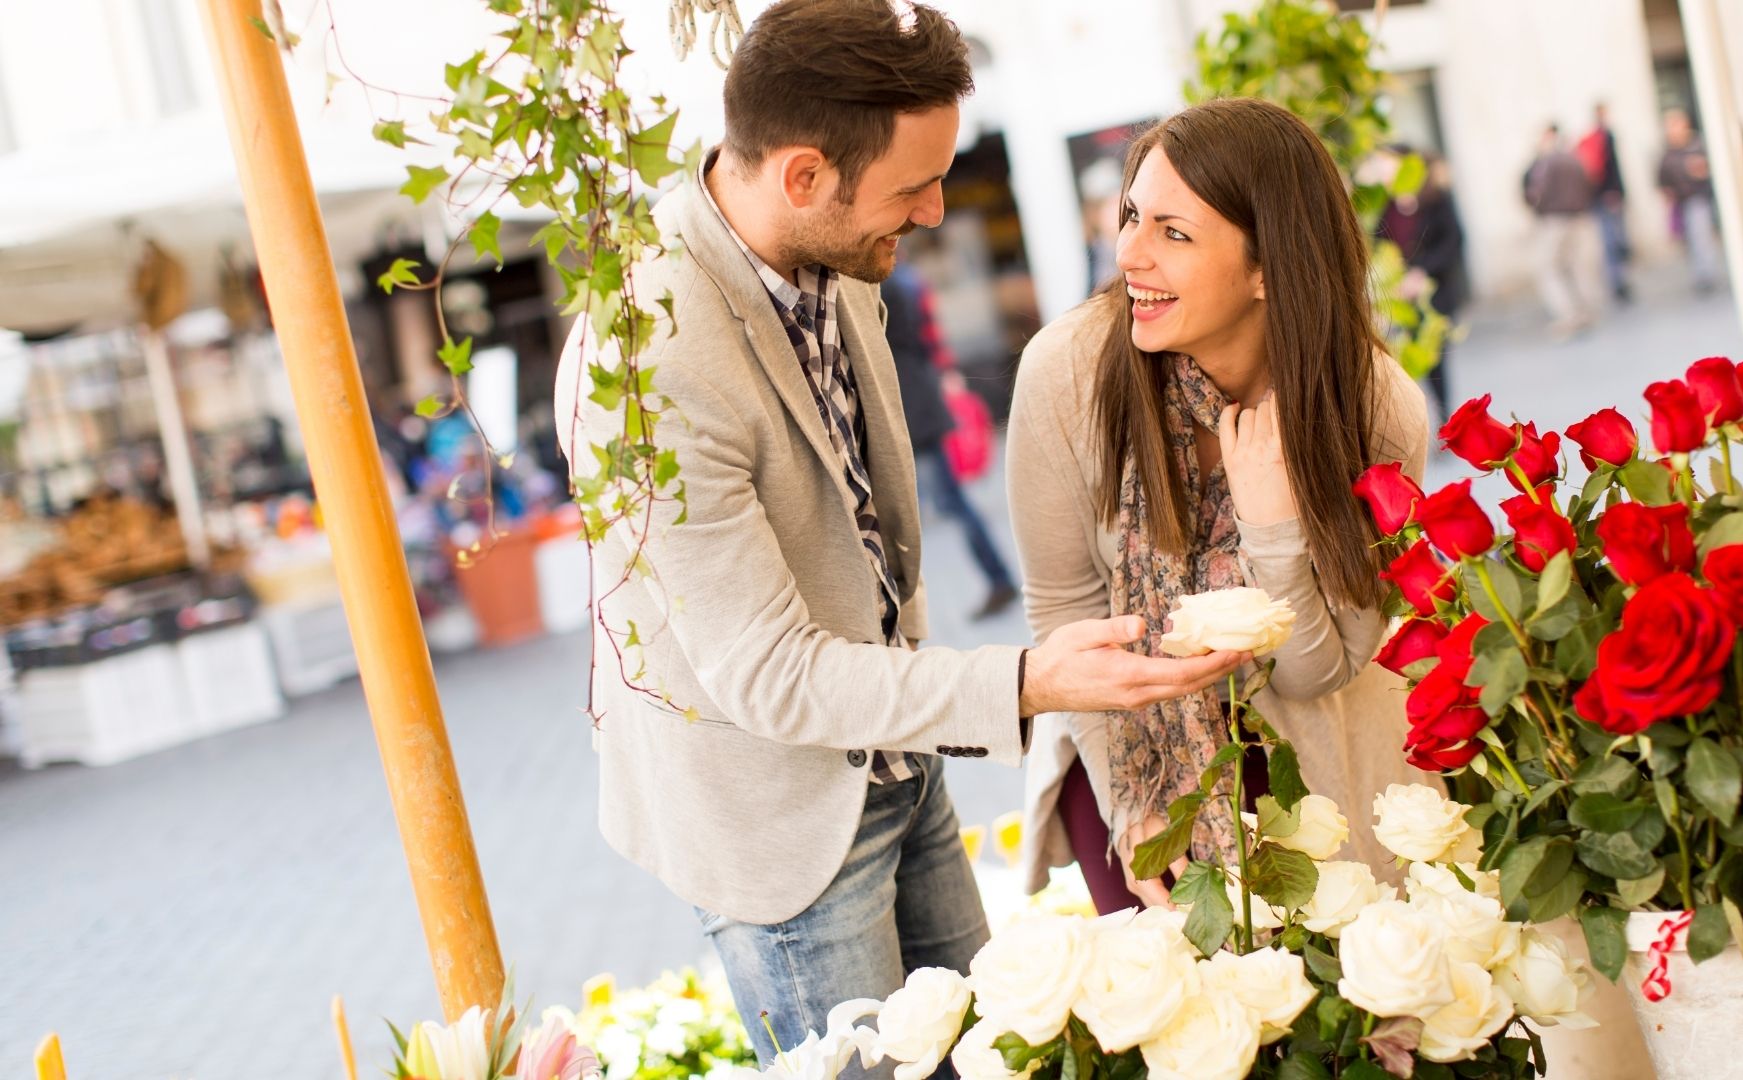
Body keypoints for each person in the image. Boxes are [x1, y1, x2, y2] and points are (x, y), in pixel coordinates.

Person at [551, 0, 1246, 1066]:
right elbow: (769, 674)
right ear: (801, 176)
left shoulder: (834, 256)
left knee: (987, 1052)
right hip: (782, 825)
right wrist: (1022, 683)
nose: (931, 212)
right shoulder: (649, 355)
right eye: (911, 187)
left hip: (897, 761)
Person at [1005, 98, 1437, 915]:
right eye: (1131, 216)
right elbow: (1064, 604)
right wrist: (1132, 810)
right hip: (1124, 757)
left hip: (1300, 761)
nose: (1128, 252)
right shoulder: (1066, 372)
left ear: (1268, 265)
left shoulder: (1374, 409)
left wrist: (1275, 524)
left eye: (1173, 232)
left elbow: (1320, 670)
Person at [881, 262, 1021, 619]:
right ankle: (999, 578)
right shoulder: (903, 280)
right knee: (949, 503)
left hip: (915, 410)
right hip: (918, 403)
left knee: (951, 503)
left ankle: (999, 578)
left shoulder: (887, 286)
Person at [1378, 149, 1467, 415]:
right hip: (1399, 297)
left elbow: (1453, 241)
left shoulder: (1436, 199)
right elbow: (1380, 244)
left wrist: (1421, 271)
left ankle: (1443, 416)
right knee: (1404, 363)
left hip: (1434, 294)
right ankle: (1419, 420)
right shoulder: (1387, 204)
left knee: (1434, 359)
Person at [1522, 124, 1605, 338]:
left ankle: (1567, 314)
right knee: (1577, 266)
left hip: (1555, 219)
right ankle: (1585, 310)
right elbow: (1590, 183)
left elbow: (1536, 193)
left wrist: (1538, 209)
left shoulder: (1546, 163)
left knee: (1549, 268)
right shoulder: (1576, 159)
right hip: (1578, 216)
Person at [1656, 109, 1721, 293]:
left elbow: (1707, 170)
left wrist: (1699, 170)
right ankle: (1699, 273)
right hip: (1680, 202)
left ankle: (1706, 274)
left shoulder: (1696, 145)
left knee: (1701, 237)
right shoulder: (1668, 152)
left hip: (1697, 198)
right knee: (1689, 240)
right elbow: (1662, 177)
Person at [1577, 103, 1633, 302]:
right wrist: (1615, 192)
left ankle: (1617, 281)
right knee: (1615, 241)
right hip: (1608, 196)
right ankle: (1618, 282)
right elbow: (1612, 170)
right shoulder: (1605, 137)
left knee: (1611, 240)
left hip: (1598, 197)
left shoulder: (1593, 138)